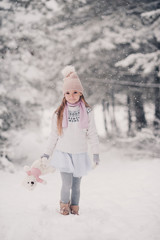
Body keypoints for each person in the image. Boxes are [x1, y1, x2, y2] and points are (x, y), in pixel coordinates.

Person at [41, 65, 100, 215]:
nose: (71, 95)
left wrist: (96, 153)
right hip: (64, 154)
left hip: (80, 154)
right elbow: (53, 135)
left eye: (75, 92)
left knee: (76, 185)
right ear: (64, 94)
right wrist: (46, 154)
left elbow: (92, 133)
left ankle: (75, 207)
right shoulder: (58, 113)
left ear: (80, 93)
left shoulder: (88, 112)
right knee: (66, 184)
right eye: (67, 92)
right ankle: (63, 206)